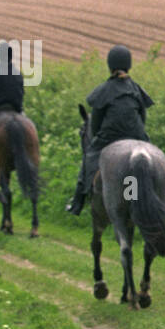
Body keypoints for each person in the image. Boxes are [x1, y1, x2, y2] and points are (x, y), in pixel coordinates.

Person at [65, 45, 151, 215]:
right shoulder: (136, 88)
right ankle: (147, 197)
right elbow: (143, 118)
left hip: (110, 138)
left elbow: (95, 124)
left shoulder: (103, 90)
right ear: (129, 65)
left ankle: (78, 202)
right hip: (137, 138)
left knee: (89, 158)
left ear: (110, 65)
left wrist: (97, 137)